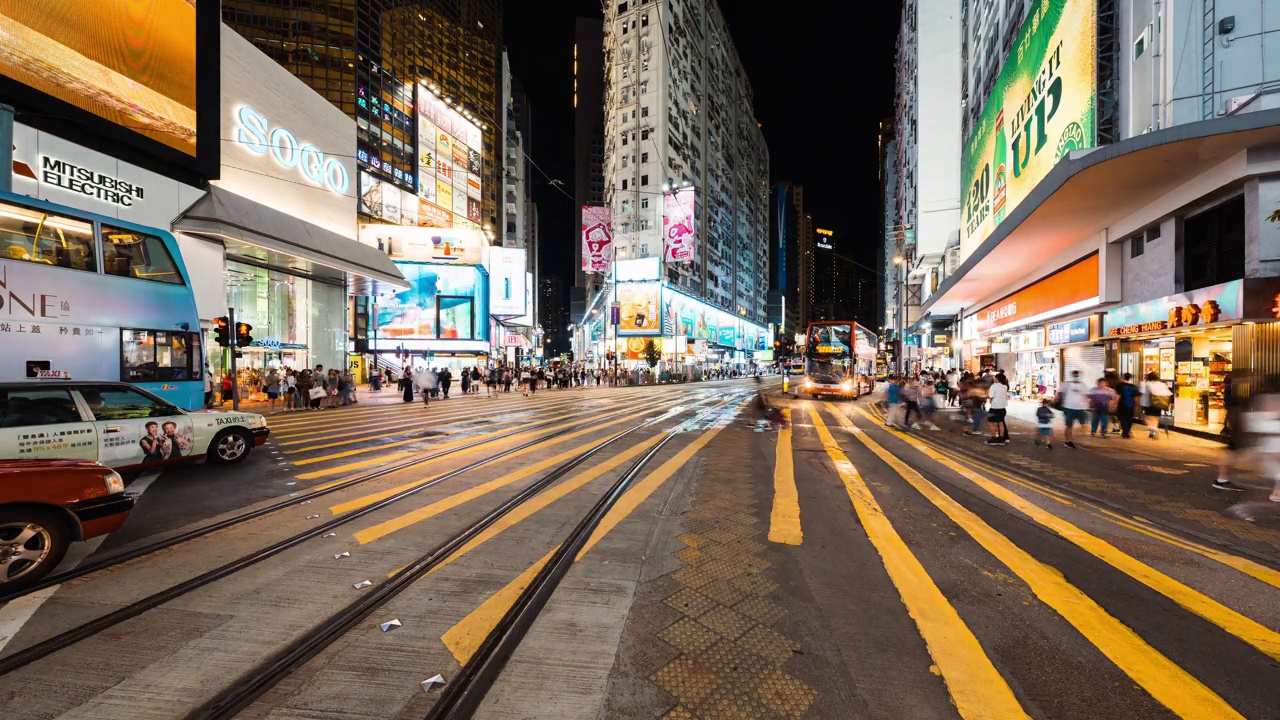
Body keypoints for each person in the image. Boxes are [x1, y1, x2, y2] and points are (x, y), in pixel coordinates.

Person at [1057, 370, 1089, 449]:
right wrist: (1056, 401)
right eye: (1075, 376)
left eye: (1077, 376)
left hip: (1081, 408)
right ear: (1072, 376)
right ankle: (1068, 441)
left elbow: (1086, 395)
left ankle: (1075, 439)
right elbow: (1059, 393)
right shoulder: (1067, 384)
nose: (1076, 377)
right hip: (1069, 407)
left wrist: (1087, 404)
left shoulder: (1083, 385)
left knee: (1083, 425)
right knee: (1069, 425)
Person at [1139, 372, 1172, 439]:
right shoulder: (1162, 384)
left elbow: (1143, 394)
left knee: (1148, 418)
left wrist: (1141, 405)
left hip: (1149, 404)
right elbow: (1168, 394)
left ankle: (1154, 430)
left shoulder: (1147, 384)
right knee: (1155, 418)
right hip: (1159, 404)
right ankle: (1152, 433)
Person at [986, 373, 1010, 445]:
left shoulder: (994, 386)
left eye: (995, 378)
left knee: (990, 423)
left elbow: (990, 395)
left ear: (997, 379)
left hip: (995, 407)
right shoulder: (1005, 386)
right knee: (1000, 423)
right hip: (1002, 408)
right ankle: (1001, 438)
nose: (994, 379)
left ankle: (993, 437)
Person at [1116, 372, 1139, 438]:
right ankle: (1127, 432)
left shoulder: (1120, 386)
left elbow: (1118, 396)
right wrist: (1138, 406)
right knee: (1129, 419)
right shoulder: (1133, 387)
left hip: (1122, 405)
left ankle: (1125, 432)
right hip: (1130, 405)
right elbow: (1136, 398)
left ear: (1123, 377)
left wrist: (1114, 404)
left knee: (1122, 419)